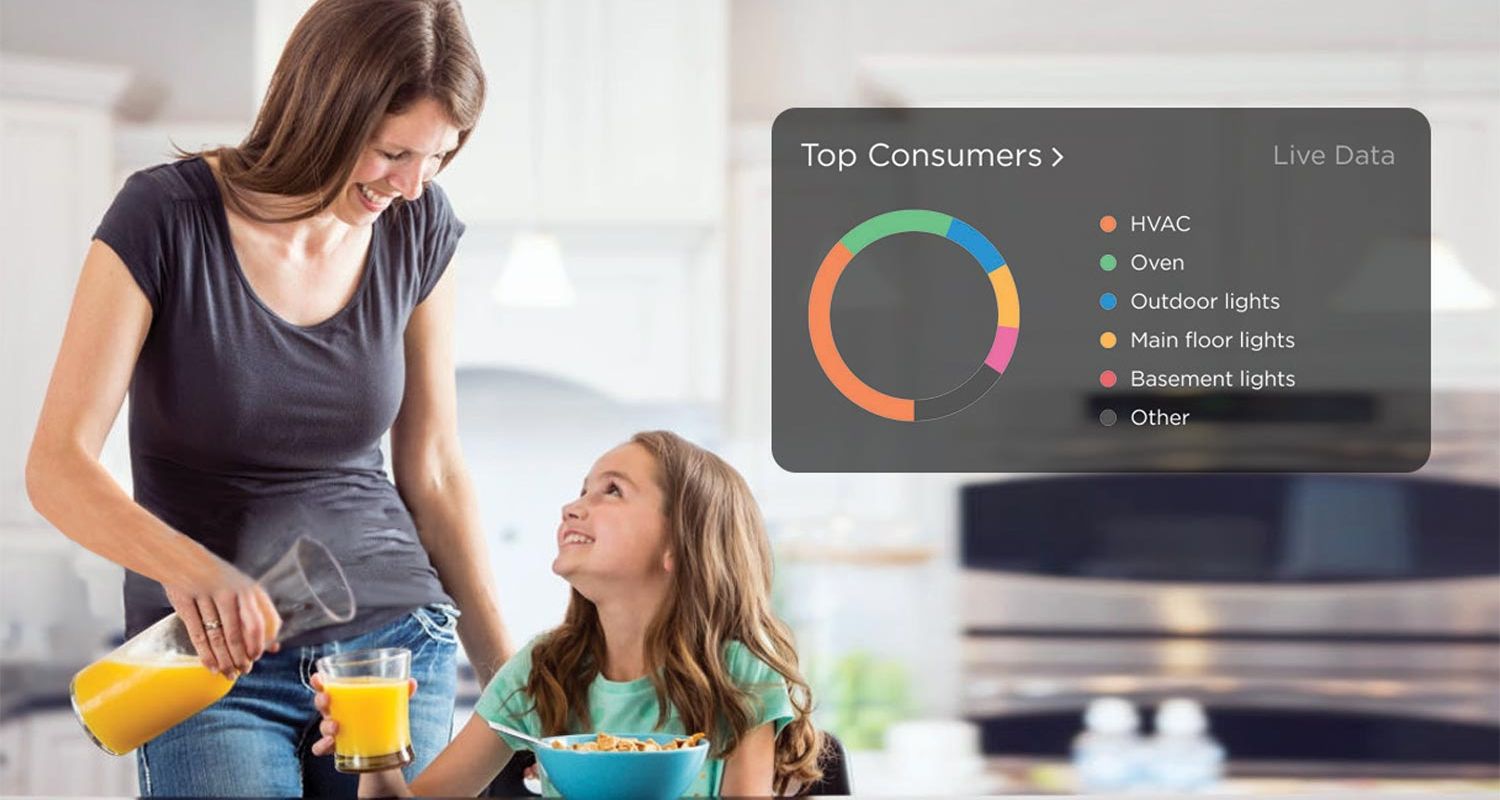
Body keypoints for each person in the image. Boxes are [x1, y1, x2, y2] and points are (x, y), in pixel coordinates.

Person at [24, 0, 513, 795]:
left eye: (437, 157)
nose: (412, 185)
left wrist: (509, 682)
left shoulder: (418, 229)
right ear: (326, 108)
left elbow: (431, 468)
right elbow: (56, 466)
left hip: (390, 644)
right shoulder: (165, 217)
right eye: (394, 152)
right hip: (209, 662)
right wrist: (192, 569)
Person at [311, 431, 824, 796]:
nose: (572, 507)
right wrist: (377, 758)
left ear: (679, 546)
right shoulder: (544, 670)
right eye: (582, 490)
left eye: (612, 491)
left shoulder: (739, 674)